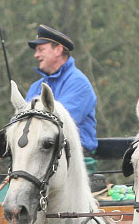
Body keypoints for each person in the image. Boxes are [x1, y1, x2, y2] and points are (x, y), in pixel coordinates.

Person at [25, 24, 98, 155]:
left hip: (75, 156)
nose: (36, 55)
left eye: (41, 49)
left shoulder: (79, 84)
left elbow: (59, 124)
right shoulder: (35, 87)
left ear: (58, 50)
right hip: (38, 154)